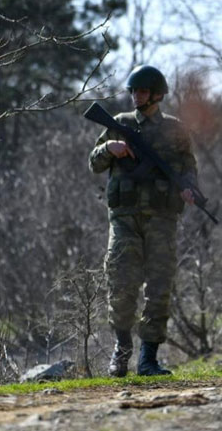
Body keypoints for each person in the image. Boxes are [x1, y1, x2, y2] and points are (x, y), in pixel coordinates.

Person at [89, 65, 198, 377]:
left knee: (159, 287)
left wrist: (190, 189)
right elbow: (94, 163)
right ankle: (121, 352)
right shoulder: (119, 124)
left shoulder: (176, 130)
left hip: (163, 219)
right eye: (133, 91)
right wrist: (109, 148)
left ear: (157, 94)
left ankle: (148, 358)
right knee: (121, 284)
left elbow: (189, 168)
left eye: (143, 91)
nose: (136, 96)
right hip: (124, 219)